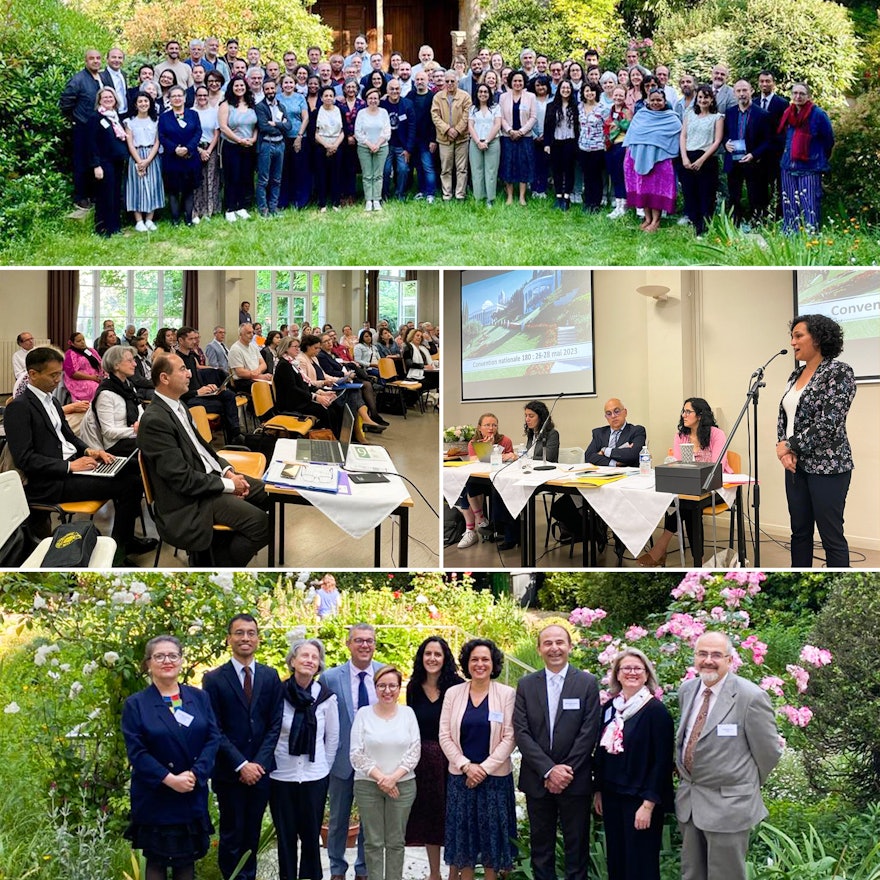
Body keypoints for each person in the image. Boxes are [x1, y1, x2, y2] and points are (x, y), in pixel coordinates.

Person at [5, 346, 155, 563]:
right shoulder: (19, 408)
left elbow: (69, 437)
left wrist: (90, 450)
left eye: (60, 374)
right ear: (33, 374)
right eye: (53, 375)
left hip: (69, 467)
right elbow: (25, 458)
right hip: (49, 482)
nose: (58, 380)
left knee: (131, 473)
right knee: (128, 484)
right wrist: (69, 467)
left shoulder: (52, 401)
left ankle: (124, 541)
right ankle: (120, 554)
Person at [137, 353, 270, 567]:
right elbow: (181, 479)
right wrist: (229, 486)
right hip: (188, 501)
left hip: (206, 480)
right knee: (261, 524)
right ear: (164, 378)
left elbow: (204, 450)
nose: (189, 373)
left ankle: (218, 548)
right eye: (182, 369)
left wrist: (228, 472)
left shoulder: (179, 406)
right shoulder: (155, 420)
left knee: (268, 493)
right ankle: (218, 566)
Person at [676, 631, 782, 880]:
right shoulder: (687, 690)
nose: (708, 660)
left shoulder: (750, 697)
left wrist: (744, 786)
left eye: (716, 655)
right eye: (702, 654)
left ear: (730, 660)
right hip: (691, 802)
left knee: (726, 876)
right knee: (691, 874)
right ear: (695, 657)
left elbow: (769, 753)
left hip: (730, 807)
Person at [122, 635, 220, 880]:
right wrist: (169, 779)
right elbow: (137, 751)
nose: (167, 661)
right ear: (148, 663)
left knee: (186, 862)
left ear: (181, 661)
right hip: (157, 795)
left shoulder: (199, 698)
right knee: (156, 862)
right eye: (159, 656)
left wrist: (196, 774)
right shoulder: (136, 704)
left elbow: (213, 737)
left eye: (173, 655)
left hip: (190, 790)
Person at [514, 625, 600, 880]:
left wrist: (564, 772)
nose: (554, 648)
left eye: (560, 642)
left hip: (576, 781)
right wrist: (549, 770)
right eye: (548, 643)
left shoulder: (587, 683)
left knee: (577, 850)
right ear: (539, 648)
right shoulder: (526, 685)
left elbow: (589, 731)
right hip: (538, 781)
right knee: (541, 851)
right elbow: (521, 732)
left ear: (570, 647)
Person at [202, 615, 283, 880]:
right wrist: (241, 764)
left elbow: (274, 724)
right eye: (239, 633)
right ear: (229, 639)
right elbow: (214, 727)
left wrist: (257, 764)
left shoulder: (270, 677)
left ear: (258, 638)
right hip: (230, 772)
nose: (245, 638)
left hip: (260, 773)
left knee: (252, 833)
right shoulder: (214, 679)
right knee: (231, 835)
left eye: (251, 633)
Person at [777, 314, 855, 567]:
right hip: (795, 466)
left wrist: (789, 446)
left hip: (828, 467)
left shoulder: (838, 372)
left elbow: (829, 423)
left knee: (831, 537)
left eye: (799, 336)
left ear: (819, 338)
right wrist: (784, 449)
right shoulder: (794, 374)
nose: (792, 342)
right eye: (792, 336)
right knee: (799, 533)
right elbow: (785, 417)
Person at [439, 638, 517, 880]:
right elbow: (444, 735)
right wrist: (465, 766)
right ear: (467, 663)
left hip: (494, 780)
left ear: (494, 664)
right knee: (464, 842)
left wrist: (482, 769)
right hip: (460, 779)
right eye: (474, 659)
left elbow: (510, 736)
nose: (480, 664)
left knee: (492, 843)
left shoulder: (506, 694)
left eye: (485, 659)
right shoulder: (454, 693)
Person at [593, 649, 673, 880]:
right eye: (626, 668)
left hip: (640, 800)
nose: (632, 673)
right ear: (617, 674)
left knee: (640, 864)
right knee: (617, 861)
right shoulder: (610, 708)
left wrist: (648, 805)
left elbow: (661, 762)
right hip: (612, 795)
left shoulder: (656, 711)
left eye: (638, 668)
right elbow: (601, 752)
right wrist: (598, 789)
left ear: (647, 674)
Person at [270, 638, 339, 880]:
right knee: (286, 837)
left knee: (311, 836)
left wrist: (323, 767)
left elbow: (332, 738)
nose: (310, 660)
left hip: (314, 777)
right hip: (281, 776)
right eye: (304, 656)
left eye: (314, 657)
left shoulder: (326, 697)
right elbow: (270, 733)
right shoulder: (277, 693)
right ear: (292, 661)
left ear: (319, 664)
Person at [321, 624, 384, 880]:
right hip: (341, 760)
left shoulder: (384, 673)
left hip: (374, 761)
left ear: (374, 644)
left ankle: (363, 869)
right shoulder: (331, 677)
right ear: (348, 644)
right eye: (358, 640)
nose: (364, 645)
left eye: (369, 640)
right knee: (337, 820)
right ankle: (336, 869)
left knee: (371, 820)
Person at [638, 397, 731, 567]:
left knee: (686, 503)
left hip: (715, 487)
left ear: (700, 415)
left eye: (688, 411)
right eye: (683, 411)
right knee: (683, 501)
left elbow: (718, 465)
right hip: (690, 488)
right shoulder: (681, 435)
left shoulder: (717, 434)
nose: (683, 415)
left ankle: (661, 549)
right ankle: (698, 560)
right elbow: (679, 464)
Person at [351, 665, 421, 880]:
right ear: (375, 688)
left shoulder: (408, 713)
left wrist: (393, 778)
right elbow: (356, 753)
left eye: (392, 685)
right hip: (368, 785)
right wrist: (382, 779)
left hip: (403, 785)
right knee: (372, 842)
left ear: (399, 688)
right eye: (382, 685)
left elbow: (414, 750)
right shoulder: (364, 714)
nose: (387, 690)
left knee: (396, 842)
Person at [405, 638, 464, 880]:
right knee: (429, 816)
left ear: (445, 658)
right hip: (423, 762)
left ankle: (453, 872)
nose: (432, 658)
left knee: (451, 816)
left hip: (451, 759)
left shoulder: (458, 686)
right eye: (427, 653)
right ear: (421, 657)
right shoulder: (413, 687)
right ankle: (434, 873)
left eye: (437, 654)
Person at [779, 83, 834, 233]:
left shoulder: (818, 114)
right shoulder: (788, 113)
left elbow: (828, 140)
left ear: (809, 96)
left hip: (810, 166)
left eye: (802, 93)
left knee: (810, 203)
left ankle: (811, 235)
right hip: (788, 165)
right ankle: (790, 232)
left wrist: (819, 157)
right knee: (789, 202)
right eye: (795, 93)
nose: (798, 96)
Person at [623, 89, 681, 232]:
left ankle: (656, 221)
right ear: (647, 100)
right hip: (639, 158)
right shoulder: (641, 115)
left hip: (660, 160)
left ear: (664, 101)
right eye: (652, 100)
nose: (655, 103)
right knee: (643, 188)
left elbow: (677, 138)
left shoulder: (672, 118)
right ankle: (647, 219)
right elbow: (632, 135)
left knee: (656, 189)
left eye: (659, 100)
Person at [455, 413, 516, 549]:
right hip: (481, 479)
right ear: (479, 427)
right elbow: (473, 461)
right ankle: (480, 519)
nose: (491, 428)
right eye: (487, 425)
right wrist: (488, 450)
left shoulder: (505, 440)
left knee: (497, 490)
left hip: (500, 479)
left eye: (494, 425)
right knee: (467, 483)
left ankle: (499, 528)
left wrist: (496, 454)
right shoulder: (473, 442)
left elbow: (512, 458)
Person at [722, 80, 772, 229]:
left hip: (753, 162)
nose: (742, 94)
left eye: (745, 90)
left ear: (751, 91)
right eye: (738, 91)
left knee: (755, 195)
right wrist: (726, 144)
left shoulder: (762, 114)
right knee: (734, 195)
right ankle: (734, 224)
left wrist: (754, 155)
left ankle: (757, 224)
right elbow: (724, 135)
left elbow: (768, 140)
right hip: (733, 160)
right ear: (734, 93)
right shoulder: (730, 112)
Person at [273, 336, 343, 437]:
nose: (298, 349)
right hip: (291, 403)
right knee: (326, 411)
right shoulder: (284, 365)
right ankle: (328, 437)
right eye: (295, 346)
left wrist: (320, 392)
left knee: (335, 406)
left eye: (298, 346)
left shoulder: (292, 363)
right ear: (286, 348)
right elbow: (293, 389)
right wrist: (314, 397)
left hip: (299, 398)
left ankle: (335, 437)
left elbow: (303, 384)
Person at [60, 49, 103, 209]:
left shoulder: (101, 77)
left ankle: (94, 195)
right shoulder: (78, 79)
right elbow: (66, 102)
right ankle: (81, 197)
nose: (95, 61)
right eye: (92, 58)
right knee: (81, 162)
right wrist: (76, 120)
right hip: (83, 127)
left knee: (95, 161)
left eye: (98, 58)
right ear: (86, 61)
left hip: (98, 127)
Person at [679, 85, 724, 236]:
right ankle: (693, 223)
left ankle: (703, 228)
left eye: (706, 97)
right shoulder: (689, 114)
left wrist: (702, 160)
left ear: (711, 99)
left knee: (706, 194)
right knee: (690, 193)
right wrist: (684, 157)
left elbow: (717, 141)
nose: (703, 100)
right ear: (696, 99)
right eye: (700, 97)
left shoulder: (717, 117)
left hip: (706, 159)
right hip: (688, 157)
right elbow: (683, 136)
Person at [85, 345, 144, 455]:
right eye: (130, 361)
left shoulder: (129, 386)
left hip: (134, 437)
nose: (135, 364)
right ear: (116, 365)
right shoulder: (105, 394)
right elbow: (108, 432)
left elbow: (140, 409)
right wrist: (135, 430)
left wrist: (140, 423)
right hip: (116, 445)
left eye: (134, 360)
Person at [158, 86, 203, 225]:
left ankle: (188, 219)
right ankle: (175, 219)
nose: (177, 98)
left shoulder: (193, 114)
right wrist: (175, 149)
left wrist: (188, 148)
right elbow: (162, 136)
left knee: (189, 190)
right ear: (169, 99)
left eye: (179, 95)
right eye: (174, 96)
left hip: (190, 158)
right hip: (172, 159)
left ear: (184, 98)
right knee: (173, 190)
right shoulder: (164, 117)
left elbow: (198, 132)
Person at [89, 87, 130, 236]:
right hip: (104, 162)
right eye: (104, 97)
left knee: (115, 194)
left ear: (115, 100)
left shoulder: (115, 117)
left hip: (117, 161)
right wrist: (96, 165)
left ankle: (115, 227)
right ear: (99, 100)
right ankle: (102, 228)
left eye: (110, 97)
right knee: (105, 195)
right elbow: (91, 143)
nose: (108, 99)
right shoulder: (96, 118)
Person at [219, 76, 258, 222]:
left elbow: (256, 126)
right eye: (236, 85)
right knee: (232, 177)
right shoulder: (226, 104)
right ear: (231, 87)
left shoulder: (251, 104)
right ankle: (230, 208)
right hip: (231, 146)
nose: (239, 88)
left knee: (245, 177)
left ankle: (241, 207)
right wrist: (239, 140)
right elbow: (223, 127)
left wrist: (253, 139)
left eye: (242, 85)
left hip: (249, 146)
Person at [125, 93, 164, 232]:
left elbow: (157, 142)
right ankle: (138, 220)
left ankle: (149, 219)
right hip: (136, 156)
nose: (143, 104)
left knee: (153, 186)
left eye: (146, 101)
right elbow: (129, 144)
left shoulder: (156, 120)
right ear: (135, 104)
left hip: (152, 156)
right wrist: (139, 161)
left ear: (150, 103)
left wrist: (147, 160)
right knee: (136, 187)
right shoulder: (129, 122)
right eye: (140, 101)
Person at [432, 71, 472, 201]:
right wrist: (447, 129)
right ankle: (447, 195)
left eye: (452, 81)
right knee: (445, 169)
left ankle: (460, 194)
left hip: (462, 138)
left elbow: (467, 115)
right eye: (447, 81)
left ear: (457, 82)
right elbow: (435, 116)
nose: (449, 84)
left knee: (462, 168)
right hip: (444, 139)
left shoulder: (465, 96)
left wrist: (457, 130)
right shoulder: (438, 97)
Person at [499, 70, 536, 204]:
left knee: (523, 165)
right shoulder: (503, 97)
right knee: (508, 164)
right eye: (515, 80)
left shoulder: (531, 96)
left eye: (520, 81)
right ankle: (509, 196)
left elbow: (533, 117)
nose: (517, 83)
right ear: (510, 82)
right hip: (507, 136)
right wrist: (510, 130)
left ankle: (521, 196)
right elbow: (501, 117)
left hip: (525, 137)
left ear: (524, 82)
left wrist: (520, 132)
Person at [255, 78, 291, 216]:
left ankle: (273, 207)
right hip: (266, 144)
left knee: (277, 179)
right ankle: (263, 209)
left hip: (280, 145)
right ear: (263, 91)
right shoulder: (260, 107)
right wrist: (281, 125)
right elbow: (263, 127)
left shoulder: (281, 106)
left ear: (276, 89)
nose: (270, 91)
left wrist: (276, 124)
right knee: (264, 179)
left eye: (272, 88)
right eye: (267, 89)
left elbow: (289, 126)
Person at [544, 80, 579, 210]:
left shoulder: (576, 106)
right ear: (559, 89)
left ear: (571, 90)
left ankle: (566, 197)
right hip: (555, 142)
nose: (565, 90)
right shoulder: (551, 106)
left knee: (569, 170)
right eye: (563, 88)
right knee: (556, 170)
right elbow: (547, 126)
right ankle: (558, 197)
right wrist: (546, 144)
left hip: (571, 141)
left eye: (568, 88)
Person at [355, 88, 391, 211]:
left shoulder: (384, 112)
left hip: (381, 147)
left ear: (379, 100)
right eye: (370, 98)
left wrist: (377, 144)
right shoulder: (361, 113)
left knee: (378, 175)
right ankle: (368, 200)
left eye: (375, 98)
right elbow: (358, 132)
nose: (373, 100)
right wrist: (370, 144)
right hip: (364, 147)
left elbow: (387, 131)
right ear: (366, 100)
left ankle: (376, 199)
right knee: (367, 175)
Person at [577, 82, 606, 211]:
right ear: (583, 93)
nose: (590, 93)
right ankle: (587, 202)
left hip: (598, 147)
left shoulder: (602, 108)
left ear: (597, 93)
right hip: (583, 146)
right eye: (587, 91)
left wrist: (605, 143)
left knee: (596, 176)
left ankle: (596, 203)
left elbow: (608, 127)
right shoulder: (579, 107)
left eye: (592, 91)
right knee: (587, 175)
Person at [604, 86, 631, 218]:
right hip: (611, 145)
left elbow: (628, 127)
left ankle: (624, 204)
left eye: (621, 95)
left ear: (625, 97)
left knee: (621, 175)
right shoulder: (611, 110)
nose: (618, 98)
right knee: (614, 174)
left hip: (622, 145)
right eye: (616, 95)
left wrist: (618, 124)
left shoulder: (626, 111)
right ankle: (618, 203)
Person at [63, 332, 105, 401]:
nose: (82, 342)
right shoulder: (70, 354)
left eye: (83, 339)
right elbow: (72, 373)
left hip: (97, 377)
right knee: (97, 389)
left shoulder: (91, 351)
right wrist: (91, 378)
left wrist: (103, 374)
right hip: (79, 380)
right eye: (79, 341)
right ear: (72, 343)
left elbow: (101, 363)